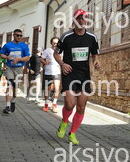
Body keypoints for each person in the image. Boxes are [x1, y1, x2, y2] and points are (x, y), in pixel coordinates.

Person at [55, 10, 99, 145]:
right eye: (78, 18)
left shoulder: (92, 37)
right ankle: (64, 122)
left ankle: (72, 133)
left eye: (83, 18)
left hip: (84, 75)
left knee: (81, 107)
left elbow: (95, 54)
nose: (81, 21)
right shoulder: (66, 36)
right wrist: (62, 64)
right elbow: (56, 54)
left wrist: (96, 61)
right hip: (69, 73)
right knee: (70, 104)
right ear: (74, 21)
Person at [0, 29, 31, 114]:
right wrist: (6, 57)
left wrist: (18, 59)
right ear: (13, 35)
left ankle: (13, 100)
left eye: (20, 35)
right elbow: (1, 54)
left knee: (15, 86)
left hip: (19, 68)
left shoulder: (24, 46)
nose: (19, 37)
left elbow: (27, 57)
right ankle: (7, 106)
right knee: (9, 85)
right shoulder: (7, 45)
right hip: (9, 67)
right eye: (17, 35)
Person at [41, 38, 62, 113]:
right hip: (48, 72)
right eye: (54, 43)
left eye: (56, 43)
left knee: (57, 88)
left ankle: (54, 104)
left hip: (57, 72)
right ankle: (46, 104)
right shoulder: (47, 50)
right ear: (51, 43)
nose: (55, 44)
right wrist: (45, 63)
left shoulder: (60, 51)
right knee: (47, 89)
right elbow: (42, 59)